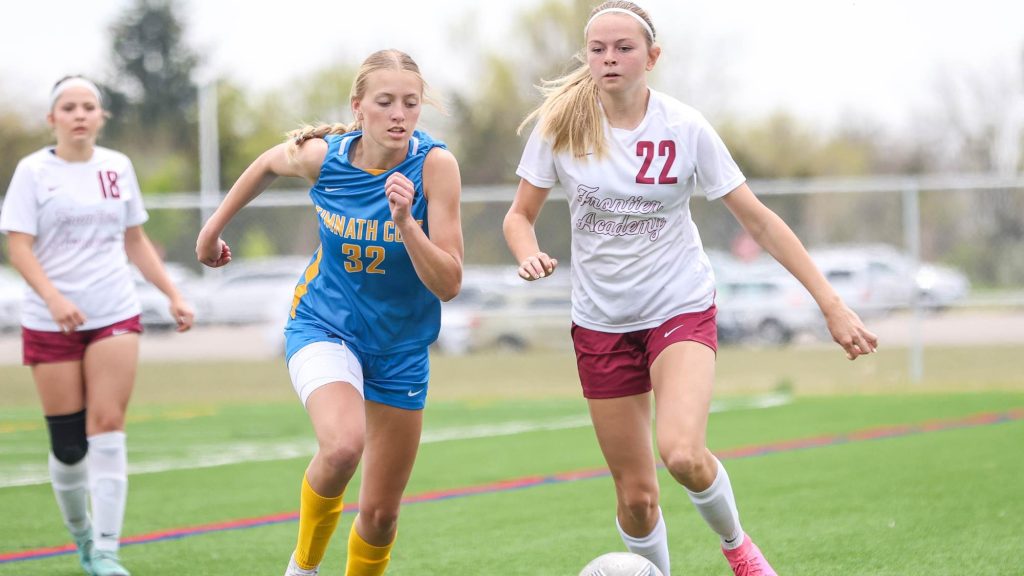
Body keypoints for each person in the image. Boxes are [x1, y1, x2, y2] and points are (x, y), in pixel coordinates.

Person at [503, 3, 879, 575]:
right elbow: (518, 217)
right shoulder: (563, 127)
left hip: (678, 307)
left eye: (624, 48)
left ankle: (740, 551)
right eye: (598, 48)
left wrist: (831, 303)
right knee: (636, 495)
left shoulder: (685, 127)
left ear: (652, 57)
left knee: (681, 454)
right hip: (600, 321)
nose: (609, 58)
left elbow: (758, 220)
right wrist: (528, 254)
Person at [195, 49, 463, 576]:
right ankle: (303, 566)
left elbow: (449, 283)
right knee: (342, 448)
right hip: (324, 325)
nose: (399, 115)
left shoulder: (436, 166)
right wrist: (212, 230)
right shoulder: (325, 158)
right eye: (385, 102)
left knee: (382, 515)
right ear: (358, 106)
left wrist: (407, 223)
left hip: (401, 348)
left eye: (410, 103)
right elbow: (268, 164)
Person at [0, 75, 195, 576]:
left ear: (102, 116)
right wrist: (54, 298)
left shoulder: (117, 167)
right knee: (68, 447)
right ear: (53, 119)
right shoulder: (33, 172)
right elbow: (17, 244)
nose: (80, 114)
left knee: (107, 425)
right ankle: (83, 538)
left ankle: (108, 550)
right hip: (51, 319)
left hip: (114, 310)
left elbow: (134, 240)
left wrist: (172, 294)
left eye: (89, 106)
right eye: (69, 107)